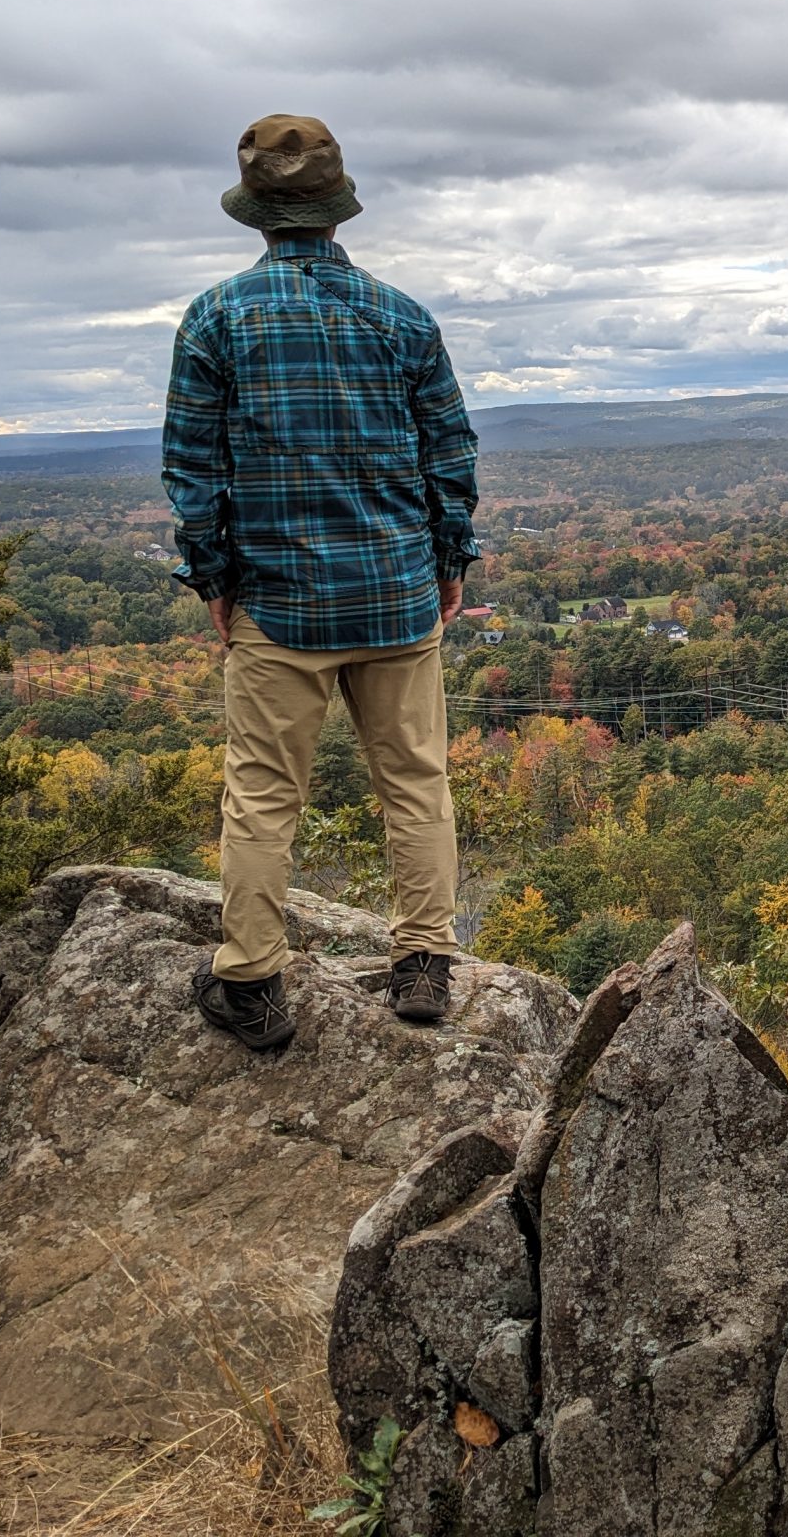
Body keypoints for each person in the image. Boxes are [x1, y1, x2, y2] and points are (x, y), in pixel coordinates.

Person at [161, 114, 481, 1051]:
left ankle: (253, 982)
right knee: (417, 784)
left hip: (280, 601)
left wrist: (215, 579)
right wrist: (448, 562)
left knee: (262, 795)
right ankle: (423, 963)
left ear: (259, 214)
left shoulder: (217, 318)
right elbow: (450, 453)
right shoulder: (404, 318)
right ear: (337, 211)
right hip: (396, 591)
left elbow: (193, 469)